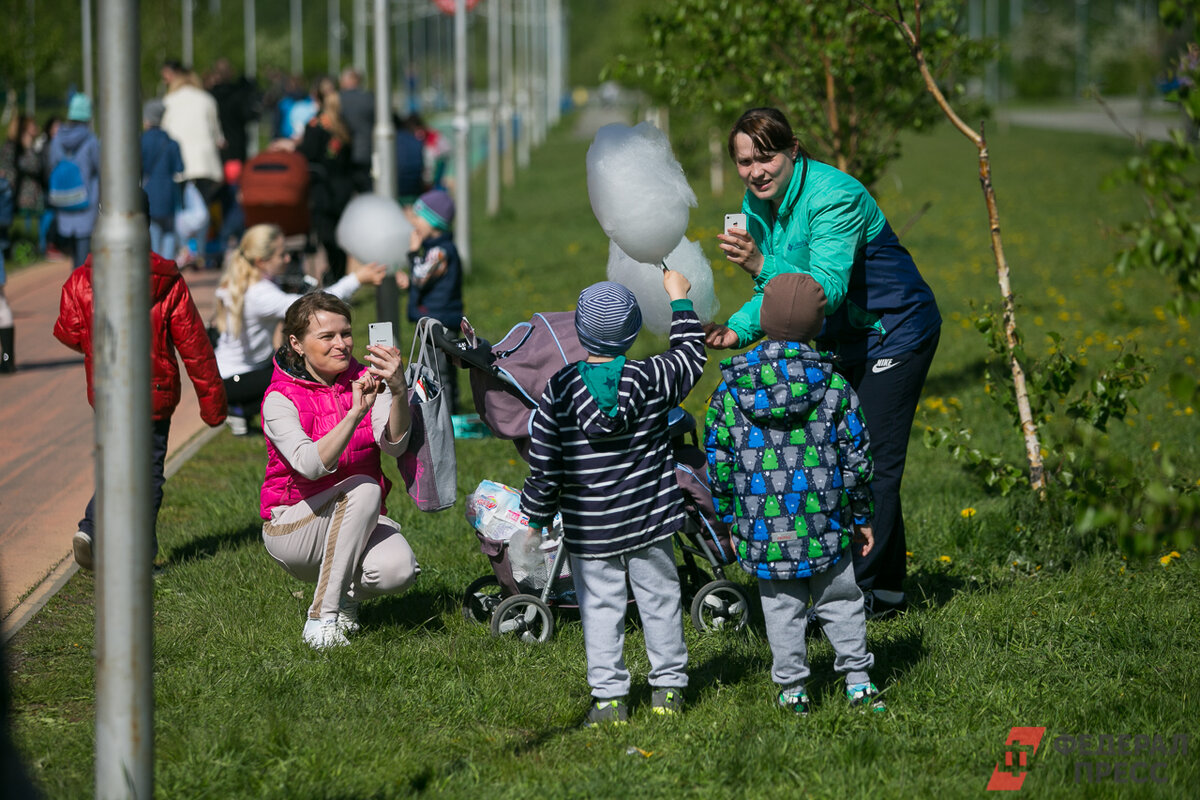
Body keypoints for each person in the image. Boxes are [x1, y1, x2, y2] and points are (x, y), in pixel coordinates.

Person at [708, 107, 941, 620]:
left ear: (793, 149)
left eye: (765, 157)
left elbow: (822, 291)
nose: (755, 171)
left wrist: (758, 262)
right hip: (844, 340)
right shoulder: (757, 202)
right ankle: (889, 590)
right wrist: (738, 329)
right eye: (744, 162)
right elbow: (772, 293)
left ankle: (860, 599)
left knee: (873, 462)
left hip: (894, 331)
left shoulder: (836, 195)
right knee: (839, 456)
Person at [519, 274, 706, 725]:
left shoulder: (559, 392)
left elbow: (545, 464)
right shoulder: (653, 376)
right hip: (650, 519)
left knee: (600, 609)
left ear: (580, 332)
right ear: (635, 330)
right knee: (660, 599)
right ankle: (668, 691)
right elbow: (690, 357)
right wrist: (680, 300)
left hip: (590, 527)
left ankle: (609, 701)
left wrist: (535, 514)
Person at [705, 272, 885, 715]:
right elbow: (857, 459)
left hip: (762, 525)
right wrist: (861, 514)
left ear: (762, 321)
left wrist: (730, 520)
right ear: (819, 326)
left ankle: (793, 690)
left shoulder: (730, 390)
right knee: (841, 599)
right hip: (827, 521)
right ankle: (858, 680)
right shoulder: (836, 387)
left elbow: (720, 464)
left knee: (781, 608)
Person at [54, 210, 228, 569]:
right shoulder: (167, 280)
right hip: (156, 391)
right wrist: (213, 405)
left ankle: (92, 528)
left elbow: (69, 331)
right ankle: (136, 554)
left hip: (107, 392)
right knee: (147, 472)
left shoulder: (82, 279)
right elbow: (195, 346)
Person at [259, 292, 420, 650]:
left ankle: (343, 597)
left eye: (345, 333)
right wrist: (353, 415)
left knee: (400, 570)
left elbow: (394, 443)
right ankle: (321, 617)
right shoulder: (279, 397)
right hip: (294, 527)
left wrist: (396, 391)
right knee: (364, 488)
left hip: (355, 519)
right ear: (296, 343)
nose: (341, 344)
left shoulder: (367, 379)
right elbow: (311, 466)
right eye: (327, 336)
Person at [213, 223, 386, 435]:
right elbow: (316, 307)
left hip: (233, 373)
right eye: (282, 254)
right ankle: (238, 409)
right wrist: (357, 279)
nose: (287, 259)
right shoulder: (259, 294)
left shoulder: (248, 281)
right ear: (261, 261)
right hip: (234, 380)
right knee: (296, 375)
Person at [395, 188, 464, 412]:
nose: (413, 224)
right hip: (438, 318)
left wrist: (413, 253)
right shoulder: (437, 250)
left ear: (433, 223)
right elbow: (423, 279)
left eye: (418, 218)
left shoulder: (440, 251)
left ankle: (444, 413)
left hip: (439, 322)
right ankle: (444, 409)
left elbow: (420, 276)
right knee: (439, 367)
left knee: (438, 370)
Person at [296, 87, 356, 285]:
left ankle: (334, 277)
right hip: (343, 188)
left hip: (323, 189)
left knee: (326, 236)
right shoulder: (343, 126)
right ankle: (338, 275)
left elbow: (307, 155)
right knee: (340, 237)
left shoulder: (316, 125)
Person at [46, 94, 101, 268]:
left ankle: (75, 289)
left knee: (73, 257)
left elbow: (52, 165)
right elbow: (100, 168)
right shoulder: (91, 141)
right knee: (85, 257)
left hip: (64, 202)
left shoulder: (57, 140)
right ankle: (82, 291)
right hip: (86, 202)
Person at [141, 99, 185, 260]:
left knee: (153, 233)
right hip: (168, 195)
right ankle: (167, 268)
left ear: (147, 119)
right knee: (169, 232)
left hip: (149, 194)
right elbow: (180, 168)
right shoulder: (172, 143)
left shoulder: (140, 141)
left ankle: (156, 271)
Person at [338, 68, 375, 193]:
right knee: (366, 188)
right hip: (366, 150)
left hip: (343, 151)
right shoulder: (369, 98)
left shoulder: (338, 99)